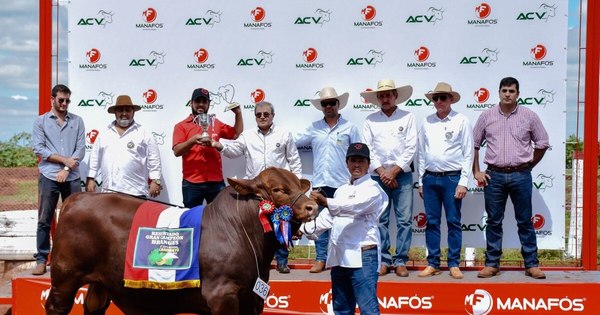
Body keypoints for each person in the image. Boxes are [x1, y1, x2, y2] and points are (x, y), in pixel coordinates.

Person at [472, 77, 549, 280]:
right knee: (494, 221)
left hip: (520, 175)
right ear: (498, 92)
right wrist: (476, 171)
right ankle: (492, 264)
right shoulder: (486, 116)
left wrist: (529, 165)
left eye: (512, 91)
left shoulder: (529, 116)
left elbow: (542, 143)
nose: (507, 94)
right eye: (504, 90)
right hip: (494, 175)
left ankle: (531, 264)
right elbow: (473, 145)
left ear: (518, 94)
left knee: (524, 221)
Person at [211, 101, 302, 273]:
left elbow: (294, 160)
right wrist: (219, 145)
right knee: (255, 226)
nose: (262, 117)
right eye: (258, 114)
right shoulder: (247, 135)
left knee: (282, 223)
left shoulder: (284, 134)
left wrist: (295, 187)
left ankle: (282, 261)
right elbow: (234, 150)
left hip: (280, 190)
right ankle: (256, 259)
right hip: (257, 190)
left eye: (266, 114)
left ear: (272, 116)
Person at [300, 143, 388, 315]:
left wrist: (326, 202)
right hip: (339, 255)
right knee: (341, 310)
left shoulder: (373, 189)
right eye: (353, 160)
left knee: (368, 310)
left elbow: (353, 206)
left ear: (368, 164)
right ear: (346, 163)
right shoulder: (341, 190)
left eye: (361, 161)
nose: (357, 165)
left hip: (363, 255)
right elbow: (327, 218)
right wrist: (302, 230)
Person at [294, 87, 361, 273]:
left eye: (332, 102)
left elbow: (358, 154)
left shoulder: (350, 127)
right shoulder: (314, 128)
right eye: (325, 103)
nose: (329, 106)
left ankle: (341, 259)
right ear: (321, 107)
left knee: (343, 223)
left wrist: (357, 180)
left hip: (343, 184)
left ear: (338, 105)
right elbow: (293, 141)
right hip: (321, 183)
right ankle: (321, 259)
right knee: (318, 223)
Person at [416, 82, 473, 279]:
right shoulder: (426, 122)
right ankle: (433, 263)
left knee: (453, 221)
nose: (439, 101)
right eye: (435, 98)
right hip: (430, 178)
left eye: (443, 98)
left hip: (452, 177)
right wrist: (421, 181)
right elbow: (421, 153)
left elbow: (468, 153)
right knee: (432, 222)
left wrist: (463, 181)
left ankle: (454, 263)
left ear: (451, 99)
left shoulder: (461, 120)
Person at [361, 79, 416, 277]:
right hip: (378, 177)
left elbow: (411, 147)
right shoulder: (370, 120)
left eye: (389, 95)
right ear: (377, 98)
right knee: (380, 219)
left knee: (404, 220)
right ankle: (383, 259)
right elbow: (367, 148)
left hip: (402, 176)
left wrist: (395, 171)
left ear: (395, 96)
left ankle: (401, 260)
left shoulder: (408, 117)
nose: (385, 98)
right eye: (382, 95)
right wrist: (383, 172)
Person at [31, 84, 85, 275]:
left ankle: (74, 259)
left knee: (76, 220)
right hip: (48, 175)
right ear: (52, 99)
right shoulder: (41, 122)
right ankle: (41, 259)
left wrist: (65, 168)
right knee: (45, 219)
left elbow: (80, 150)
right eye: (61, 100)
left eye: (67, 100)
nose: (64, 104)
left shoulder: (77, 121)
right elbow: (39, 149)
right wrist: (64, 162)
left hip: (71, 176)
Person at [172, 88, 243, 208]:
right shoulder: (181, 126)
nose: (201, 104)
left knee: (219, 218)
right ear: (191, 103)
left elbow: (236, 134)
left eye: (204, 102)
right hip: (192, 182)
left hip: (215, 181)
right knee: (191, 218)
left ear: (209, 104)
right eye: (197, 101)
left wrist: (238, 113)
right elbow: (177, 151)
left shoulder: (216, 123)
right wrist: (192, 141)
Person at [86, 95, 162, 197]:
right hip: (109, 192)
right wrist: (91, 178)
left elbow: (154, 159)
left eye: (128, 110)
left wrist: (156, 180)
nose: (124, 114)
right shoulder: (104, 134)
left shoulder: (144, 133)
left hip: (136, 192)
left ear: (133, 112)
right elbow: (94, 158)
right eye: (120, 110)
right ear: (115, 113)